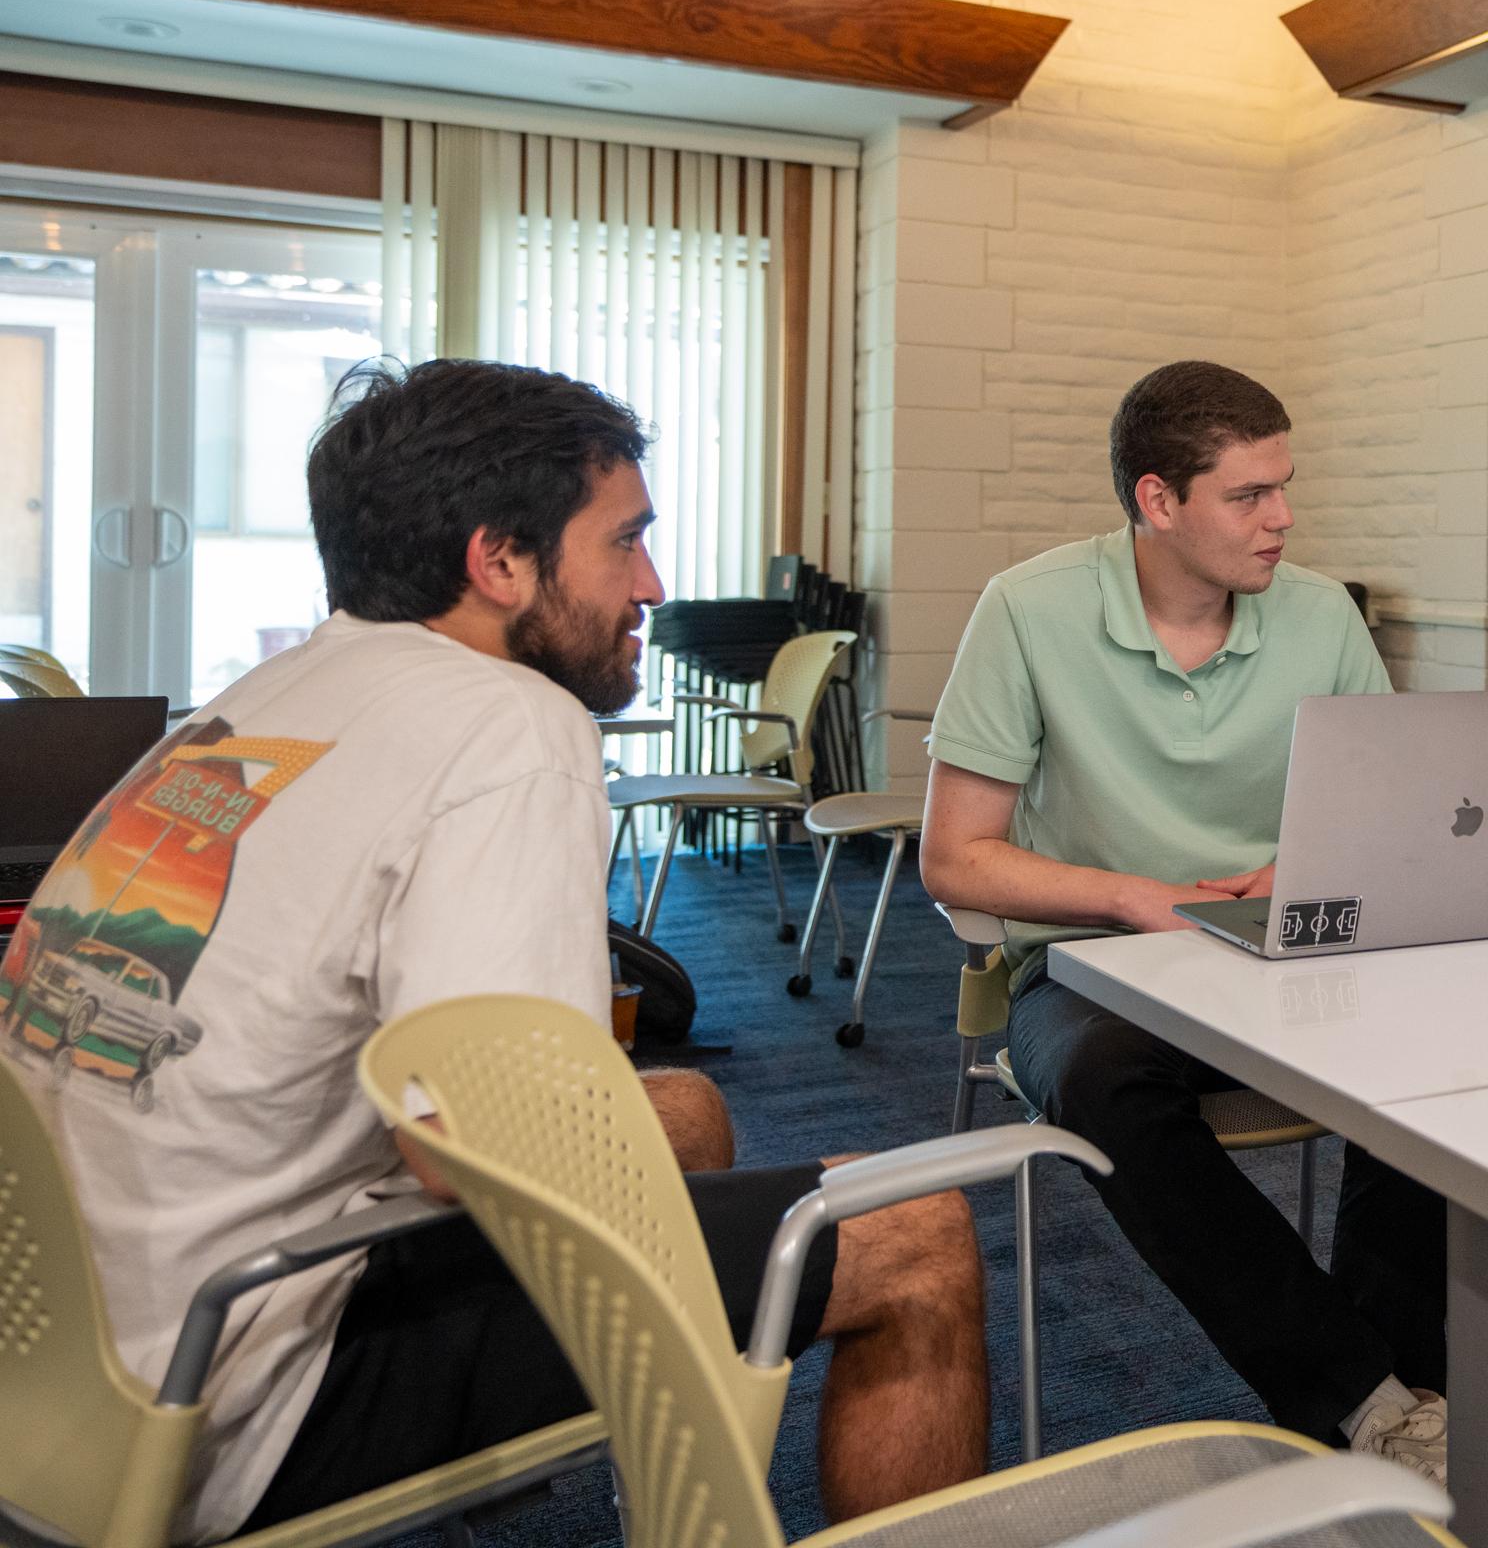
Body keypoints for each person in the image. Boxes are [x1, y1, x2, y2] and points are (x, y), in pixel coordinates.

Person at [0, 360, 988, 1543]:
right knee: (916, 1227)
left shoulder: (259, 698)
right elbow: (485, 1154)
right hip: (227, 1396)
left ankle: (665, 1480)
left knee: (683, 1114)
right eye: (625, 541)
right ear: (500, 559)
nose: (653, 584)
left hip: (58, 1343)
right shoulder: (511, 724)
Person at [918, 360, 1449, 1480]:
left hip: (1278, 949)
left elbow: (1387, 803)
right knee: (1107, 1077)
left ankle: (1407, 1396)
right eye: (1249, 495)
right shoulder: (1027, 607)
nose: (1284, 518)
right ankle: (1362, 1397)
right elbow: (954, 855)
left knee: (1437, 1051)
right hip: (1088, 969)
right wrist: (1126, 893)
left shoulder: (1318, 614)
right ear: (1158, 501)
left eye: (1286, 486)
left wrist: (1301, 862)